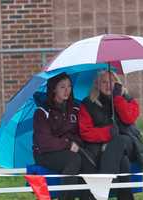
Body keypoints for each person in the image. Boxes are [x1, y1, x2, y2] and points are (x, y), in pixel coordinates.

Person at [33, 72, 96, 200]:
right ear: (53, 89)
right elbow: (44, 142)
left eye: (69, 86)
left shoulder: (76, 109)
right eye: (62, 87)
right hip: (46, 154)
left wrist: (74, 143)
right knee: (73, 159)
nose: (67, 90)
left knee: (89, 162)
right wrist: (68, 143)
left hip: (72, 149)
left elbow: (82, 134)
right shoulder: (42, 112)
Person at [79, 70, 140, 200]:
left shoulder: (126, 99)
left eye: (112, 82)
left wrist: (118, 98)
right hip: (103, 148)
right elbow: (86, 132)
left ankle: (102, 185)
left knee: (120, 140)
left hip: (128, 143)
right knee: (123, 162)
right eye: (104, 82)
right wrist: (107, 132)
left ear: (118, 84)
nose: (108, 85)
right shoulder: (88, 104)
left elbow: (129, 118)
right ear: (97, 84)